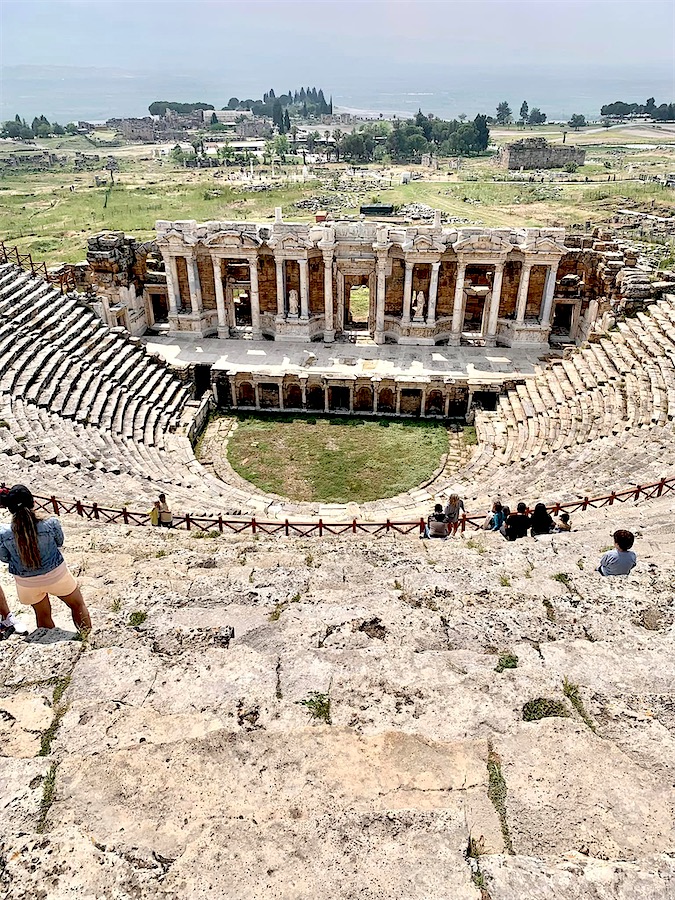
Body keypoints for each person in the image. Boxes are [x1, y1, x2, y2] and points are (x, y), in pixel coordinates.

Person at [0, 485, 91, 633]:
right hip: (56, 575)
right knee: (77, 605)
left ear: (9, 509)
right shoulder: (51, 523)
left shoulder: (3, 533)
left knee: (42, 614)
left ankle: (49, 639)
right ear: (33, 502)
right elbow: (59, 542)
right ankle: (87, 638)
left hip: (26, 583)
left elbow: (4, 558)